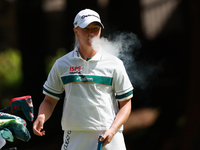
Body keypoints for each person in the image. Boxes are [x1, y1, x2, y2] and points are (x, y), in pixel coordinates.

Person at [33, 8, 133, 150]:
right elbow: (49, 100)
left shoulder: (114, 63)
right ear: (76, 31)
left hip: (110, 135)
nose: (91, 33)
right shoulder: (62, 64)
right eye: (86, 28)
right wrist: (41, 117)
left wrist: (113, 130)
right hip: (75, 135)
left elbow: (126, 104)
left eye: (95, 28)